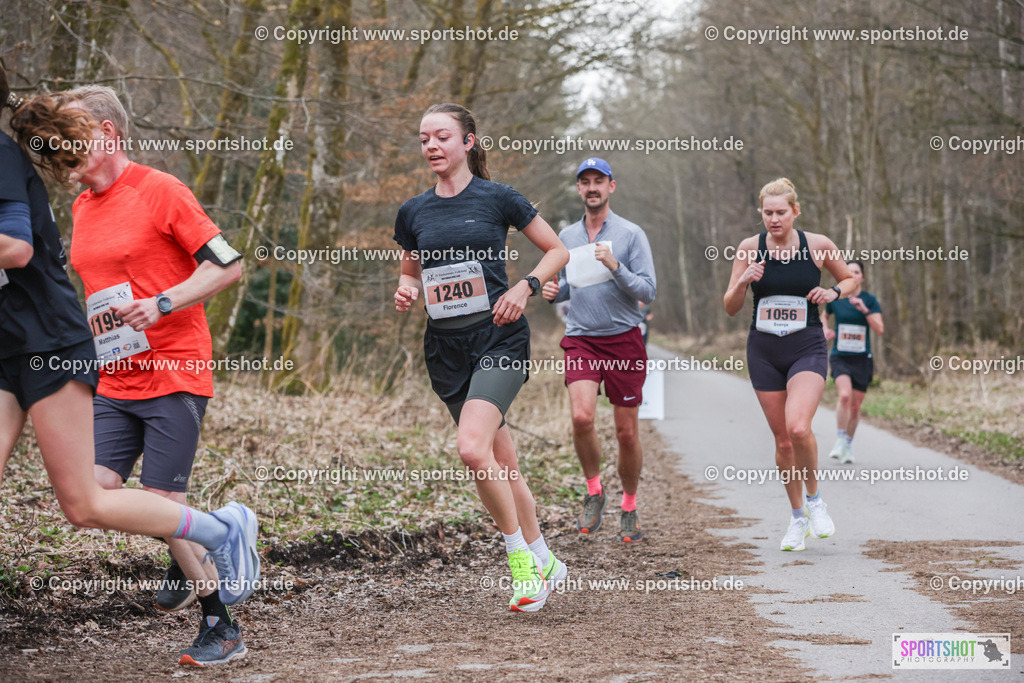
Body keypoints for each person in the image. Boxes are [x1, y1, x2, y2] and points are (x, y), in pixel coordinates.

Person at [0, 67, 259, 663]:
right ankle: (209, 537)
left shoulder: (160, 189)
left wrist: (162, 302)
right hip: (113, 374)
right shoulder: (85, 209)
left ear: (107, 131)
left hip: (173, 369)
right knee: (94, 500)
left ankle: (220, 625)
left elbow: (227, 266)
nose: (63, 154)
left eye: (74, 136)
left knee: (164, 501)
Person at [393, 103, 569, 611]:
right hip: (446, 350)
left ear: (467, 142)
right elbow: (411, 267)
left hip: (498, 338)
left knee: (472, 450)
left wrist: (526, 287)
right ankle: (545, 558)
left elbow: (557, 251)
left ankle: (521, 566)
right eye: (424, 138)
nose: (431, 146)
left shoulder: (499, 199)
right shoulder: (413, 211)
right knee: (503, 463)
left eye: (441, 136)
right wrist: (407, 289)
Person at [723, 178, 855, 552]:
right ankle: (797, 519)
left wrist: (832, 292)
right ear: (761, 213)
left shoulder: (818, 245)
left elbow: (847, 280)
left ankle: (816, 501)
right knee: (782, 441)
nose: (774, 219)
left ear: (795, 212)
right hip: (763, 351)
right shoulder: (750, 249)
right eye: (768, 213)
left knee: (799, 429)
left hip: (807, 347)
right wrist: (743, 281)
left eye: (781, 212)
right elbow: (730, 307)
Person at [542, 158, 656, 543]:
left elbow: (647, 291)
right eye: (585, 182)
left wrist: (616, 265)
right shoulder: (566, 236)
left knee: (626, 433)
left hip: (624, 338)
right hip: (582, 338)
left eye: (599, 181)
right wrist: (554, 291)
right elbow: (572, 285)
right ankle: (594, 491)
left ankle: (629, 504)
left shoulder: (631, 234)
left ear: (612, 186)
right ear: (578, 189)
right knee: (581, 417)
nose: (592, 188)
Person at [820, 260, 883, 464]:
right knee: (845, 396)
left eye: (857, 272)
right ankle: (840, 439)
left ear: (862, 277)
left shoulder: (870, 300)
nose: (853, 275)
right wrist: (825, 330)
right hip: (840, 356)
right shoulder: (836, 298)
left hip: (862, 358)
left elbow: (879, 328)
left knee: (856, 407)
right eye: (849, 272)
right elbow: (824, 316)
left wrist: (864, 310)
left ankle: (847, 444)